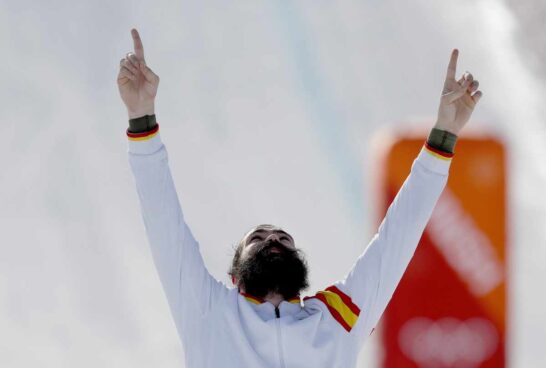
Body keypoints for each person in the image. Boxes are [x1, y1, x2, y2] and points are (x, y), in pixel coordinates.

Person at [117, 28, 482, 368]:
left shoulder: (338, 318)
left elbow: (397, 239)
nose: (273, 238)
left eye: (282, 239)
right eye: (257, 240)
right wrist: (140, 115)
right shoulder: (207, 309)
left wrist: (445, 134)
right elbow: (163, 221)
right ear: (233, 277)